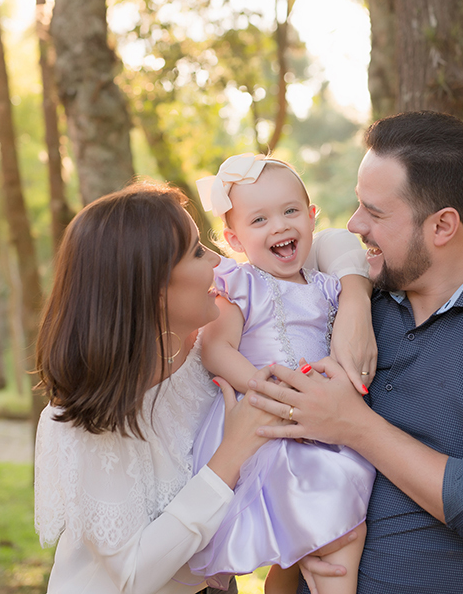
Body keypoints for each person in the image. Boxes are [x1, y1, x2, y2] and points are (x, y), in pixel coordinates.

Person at [246, 111, 463, 594]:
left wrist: (355, 426)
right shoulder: (345, 300)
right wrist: (357, 297)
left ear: (443, 225)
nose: (356, 222)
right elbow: (313, 245)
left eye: (376, 212)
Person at [32, 181, 374, 594]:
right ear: (155, 289)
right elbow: (128, 578)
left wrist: (355, 299)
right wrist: (232, 452)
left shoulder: (201, 352)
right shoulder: (86, 423)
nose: (217, 260)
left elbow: (329, 240)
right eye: (197, 251)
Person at [187, 154, 375, 594]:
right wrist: (264, 387)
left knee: (311, 538)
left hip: (315, 424)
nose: (279, 226)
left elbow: (354, 263)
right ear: (235, 238)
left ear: (311, 217)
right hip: (263, 426)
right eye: (259, 220)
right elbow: (215, 349)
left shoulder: (330, 286)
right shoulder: (241, 285)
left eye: (291, 211)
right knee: (339, 523)